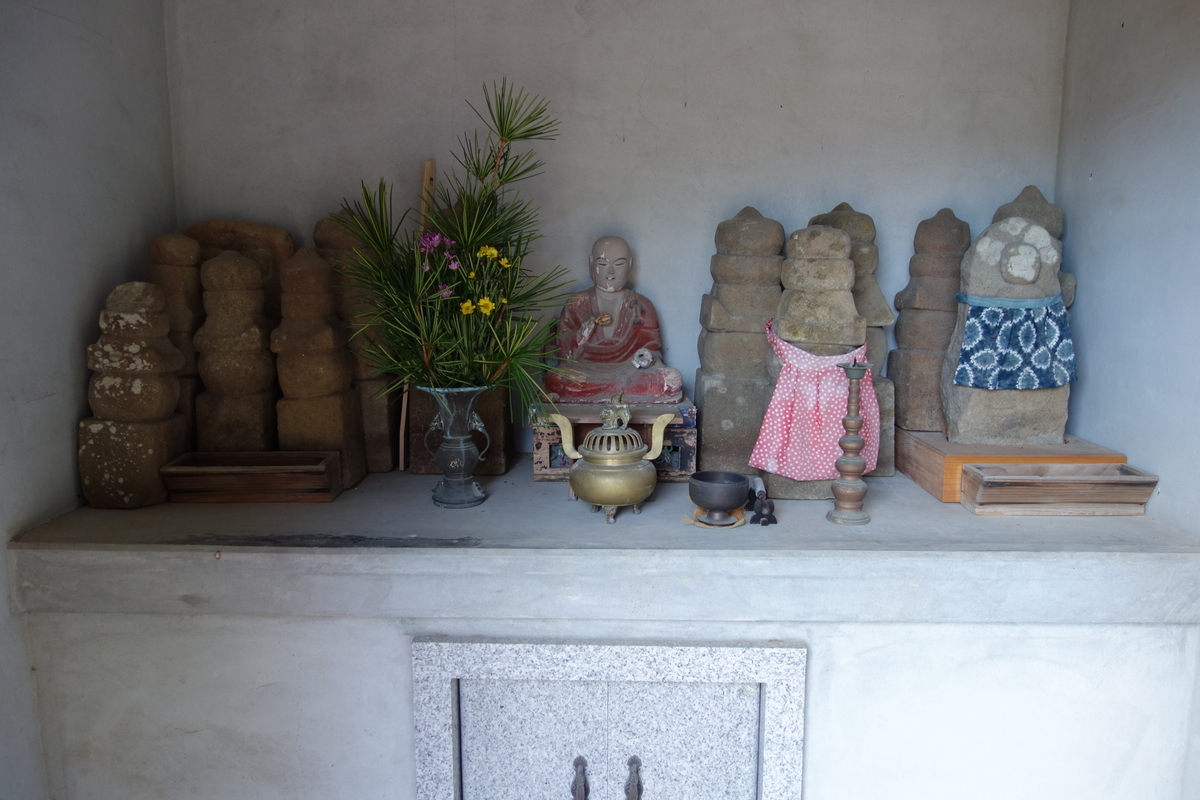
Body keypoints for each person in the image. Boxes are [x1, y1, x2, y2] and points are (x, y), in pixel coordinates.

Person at [544, 236, 683, 404]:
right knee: (555, 378)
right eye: (603, 264)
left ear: (630, 265)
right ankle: (619, 393)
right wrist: (582, 333)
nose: (610, 272)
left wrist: (646, 357)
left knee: (671, 378)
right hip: (586, 371)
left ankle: (605, 393)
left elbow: (653, 350)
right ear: (591, 263)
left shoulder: (641, 304)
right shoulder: (577, 303)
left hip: (630, 370)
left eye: (619, 264)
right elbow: (562, 352)